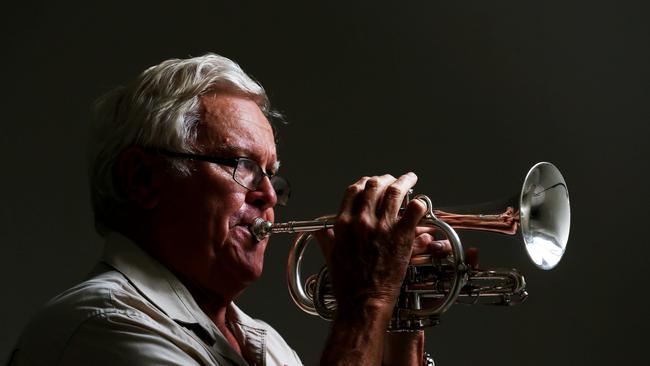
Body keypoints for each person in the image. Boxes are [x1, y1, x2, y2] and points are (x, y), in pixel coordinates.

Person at [9, 54, 447, 365]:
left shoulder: (264, 345)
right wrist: (367, 300)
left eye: (271, 174)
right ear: (143, 180)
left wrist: (401, 318)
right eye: (241, 165)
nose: (269, 196)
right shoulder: (102, 327)